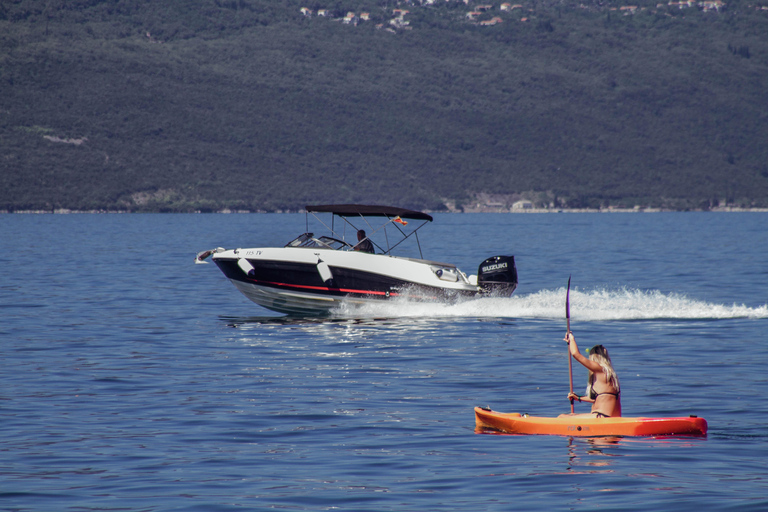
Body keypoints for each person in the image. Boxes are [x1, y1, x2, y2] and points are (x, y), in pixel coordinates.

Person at [560, 332, 622, 418]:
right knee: (572, 415)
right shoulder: (609, 374)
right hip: (610, 418)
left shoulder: (599, 369)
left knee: (562, 417)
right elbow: (598, 399)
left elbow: (575, 354)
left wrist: (571, 339)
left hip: (602, 417)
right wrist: (578, 398)